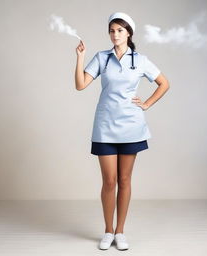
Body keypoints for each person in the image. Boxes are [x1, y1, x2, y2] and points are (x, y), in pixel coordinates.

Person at [75, 12, 170, 250]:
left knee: (125, 180)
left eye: (120, 30)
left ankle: (120, 232)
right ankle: (108, 231)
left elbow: (164, 83)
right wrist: (80, 57)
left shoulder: (140, 59)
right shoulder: (101, 57)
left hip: (131, 126)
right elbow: (80, 85)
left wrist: (147, 104)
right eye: (112, 30)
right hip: (105, 125)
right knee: (109, 181)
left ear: (129, 33)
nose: (115, 34)